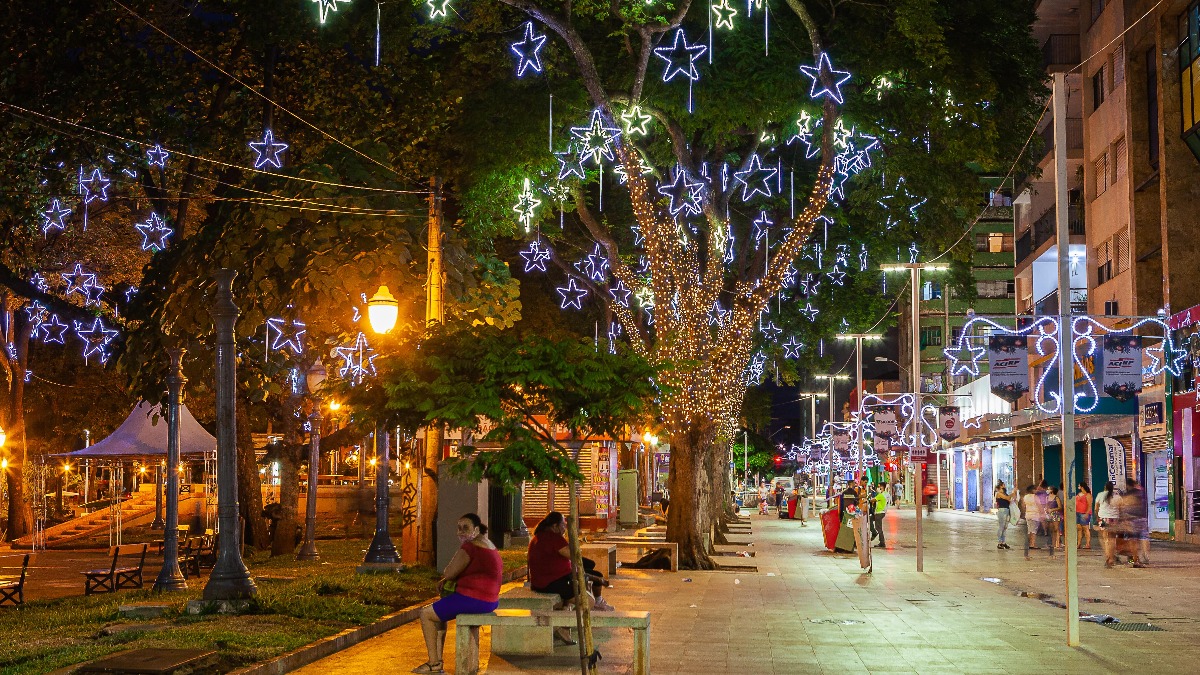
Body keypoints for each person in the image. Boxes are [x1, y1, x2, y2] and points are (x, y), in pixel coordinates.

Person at [414, 513, 501, 674]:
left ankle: (434, 663)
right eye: (459, 528)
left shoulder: (470, 546)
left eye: (465, 528)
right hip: (490, 600)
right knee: (438, 613)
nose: (461, 532)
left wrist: (446, 577)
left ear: (476, 529)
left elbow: (450, 572)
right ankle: (437, 661)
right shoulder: (487, 543)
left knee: (425, 614)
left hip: (474, 598)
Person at [1121, 478, 1150, 567]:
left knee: (1133, 540)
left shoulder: (1126, 495)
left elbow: (1123, 508)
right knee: (1144, 538)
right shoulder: (1141, 493)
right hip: (1142, 519)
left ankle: (1134, 558)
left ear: (1127, 485)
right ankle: (1145, 556)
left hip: (1131, 520)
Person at [1095, 481, 1120, 567]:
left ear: (1105, 487)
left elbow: (1096, 507)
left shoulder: (1100, 495)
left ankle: (1108, 556)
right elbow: (1121, 507)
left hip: (1103, 519)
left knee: (1106, 539)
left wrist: (1097, 517)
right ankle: (1112, 557)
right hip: (1114, 519)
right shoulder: (1117, 496)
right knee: (1113, 539)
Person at [1021, 483, 1044, 558]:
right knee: (1034, 530)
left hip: (1028, 515)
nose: (1036, 490)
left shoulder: (1025, 497)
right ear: (1032, 490)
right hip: (1035, 515)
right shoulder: (1035, 497)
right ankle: (1032, 544)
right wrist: (1042, 513)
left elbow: (1023, 506)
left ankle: (1029, 543)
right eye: (1035, 489)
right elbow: (1039, 506)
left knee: (1030, 530)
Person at [994, 481, 1012, 550]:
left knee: (1005, 527)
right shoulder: (998, 494)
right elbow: (1007, 498)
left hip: (1006, 510)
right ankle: (999, 542)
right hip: (1002, 511)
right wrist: (1012, 493)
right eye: (1004, 485)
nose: (1005, 486)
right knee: (1001, 527)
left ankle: (1003, 542)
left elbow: (1009, 500)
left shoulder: (1005, 494)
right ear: (1001, 486)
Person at [1075, 483, 1093, 550]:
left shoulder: (1088, 495)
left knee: (1085, 528)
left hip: (1084, 513)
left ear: (1082, 487)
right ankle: (1078, 543)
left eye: (1079, 486)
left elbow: (1089, 505)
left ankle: (1088, 544)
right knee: (1079, 528)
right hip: (1078, 512)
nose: (1078, 487)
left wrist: (1087, 513)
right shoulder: (1079, 494)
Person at [870, 483, 888, 549]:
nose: (878, 488)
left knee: (879, 528)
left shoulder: (881, 495)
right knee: (870, 519)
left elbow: (872, 500)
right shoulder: (886, 494)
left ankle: (882, 542)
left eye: (879, 486)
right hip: (882, 512)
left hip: (879, 512)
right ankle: (874, 532)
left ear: (882, 487)